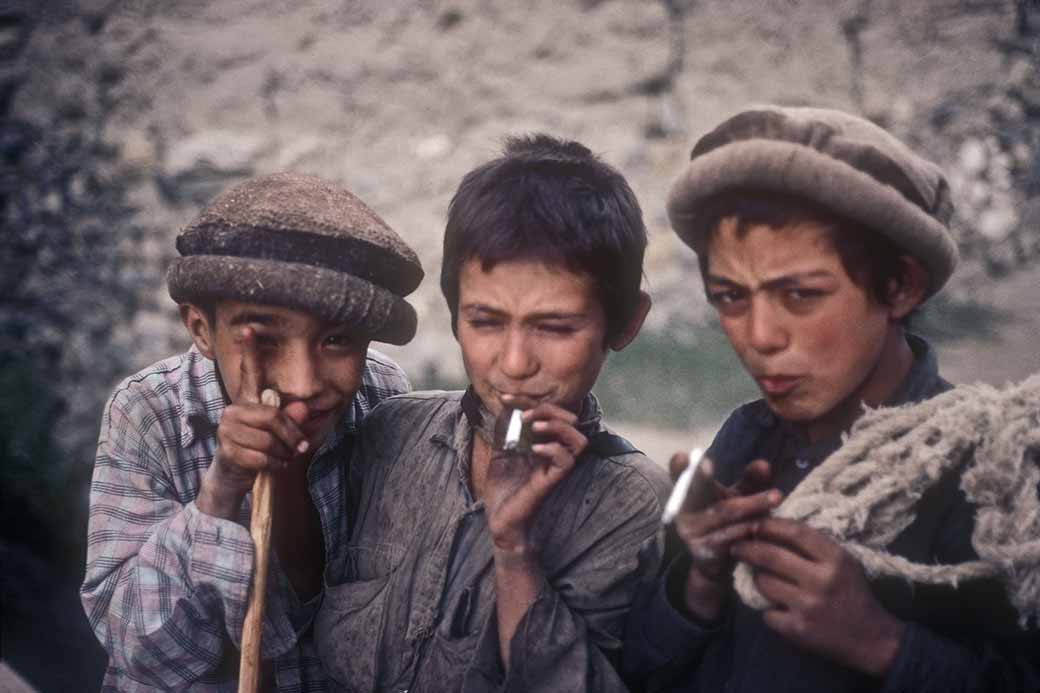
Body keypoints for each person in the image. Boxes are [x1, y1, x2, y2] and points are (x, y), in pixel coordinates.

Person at [622, 106, 1040, 692]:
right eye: (730, 296)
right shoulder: (742, 441)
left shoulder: (992, 472)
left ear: (900, 286)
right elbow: (638, 669)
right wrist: (701, 580)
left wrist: (881, 643)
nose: (759, 336)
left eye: (800, 294)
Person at [314, 134, 671, 692]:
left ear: (625, 323)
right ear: (454, 314)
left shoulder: (633, 507)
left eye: (555, 327)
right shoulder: (390, 435)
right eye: (485, 322)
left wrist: (514, 548)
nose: (513, 364)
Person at [80, 172, 423, 691]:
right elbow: (139, 653)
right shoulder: (149, 410)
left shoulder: (382, 396)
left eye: (337, 339)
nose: (303, 384)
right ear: (200, 329)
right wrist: (219, 491)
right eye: (263, 340)